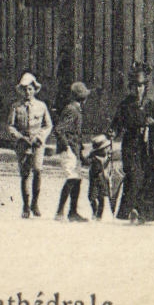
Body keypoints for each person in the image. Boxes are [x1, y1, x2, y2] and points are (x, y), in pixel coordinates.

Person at [111, 62, 154, 223]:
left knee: (148, 177)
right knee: (134, 176)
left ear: (146, 87)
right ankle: (132, 210)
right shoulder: (125, 105)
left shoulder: (149, 104)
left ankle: (145, 213)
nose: (138, 89)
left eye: (141, 86)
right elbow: (116, 124)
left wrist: (153, 123)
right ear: (131, 87)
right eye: (136, 86)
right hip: (130, 145)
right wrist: (112, 132)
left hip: (145, 146)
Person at [7, 72, 53, 219]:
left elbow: (48, 125)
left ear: (35, 90)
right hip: (23, 145)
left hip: (38, 144)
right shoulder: (16, 107)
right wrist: (20, 137)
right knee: (25, 174)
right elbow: (10, 126)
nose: (28, 92)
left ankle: (35, 203)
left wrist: (40, 137)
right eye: (25, 89)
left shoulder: (41, 106)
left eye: (30, 89)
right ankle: (26, 205)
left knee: (38, 171)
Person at [54, 81, 90, 221]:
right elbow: (59, 130)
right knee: (72, 178)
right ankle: (60, 212)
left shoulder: (75, 109)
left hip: (74, 149)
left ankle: (72, 212)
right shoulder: (72, 110)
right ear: (83, 98)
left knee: (77, 180)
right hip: (69, 149)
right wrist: (67, 146)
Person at [86, 134, 115, 220]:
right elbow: (87, 162)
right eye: (105, 148)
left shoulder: (107, 157)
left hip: (103, 181)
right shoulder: (94, 158)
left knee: (102, 198)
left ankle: (99, 215)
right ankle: (94, 211)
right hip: (95, 180)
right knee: (92, 197)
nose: (107, 150)